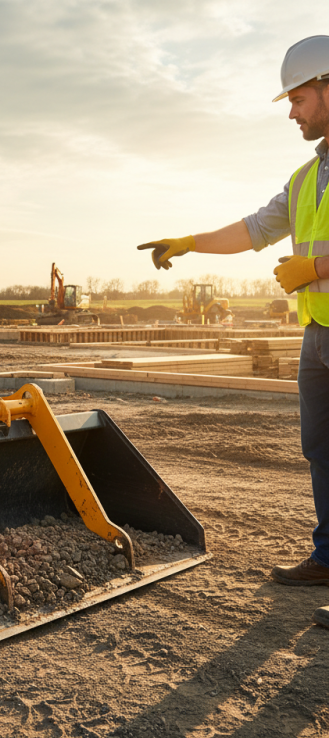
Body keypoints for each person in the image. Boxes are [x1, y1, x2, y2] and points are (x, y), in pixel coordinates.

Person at [137, 36, 329, 630]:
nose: (291, 111)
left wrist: (317, 267)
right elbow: (254, 229)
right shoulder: (305, 178)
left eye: (297, 98)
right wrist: (191, 240)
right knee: (319, 449)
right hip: (318, 334)